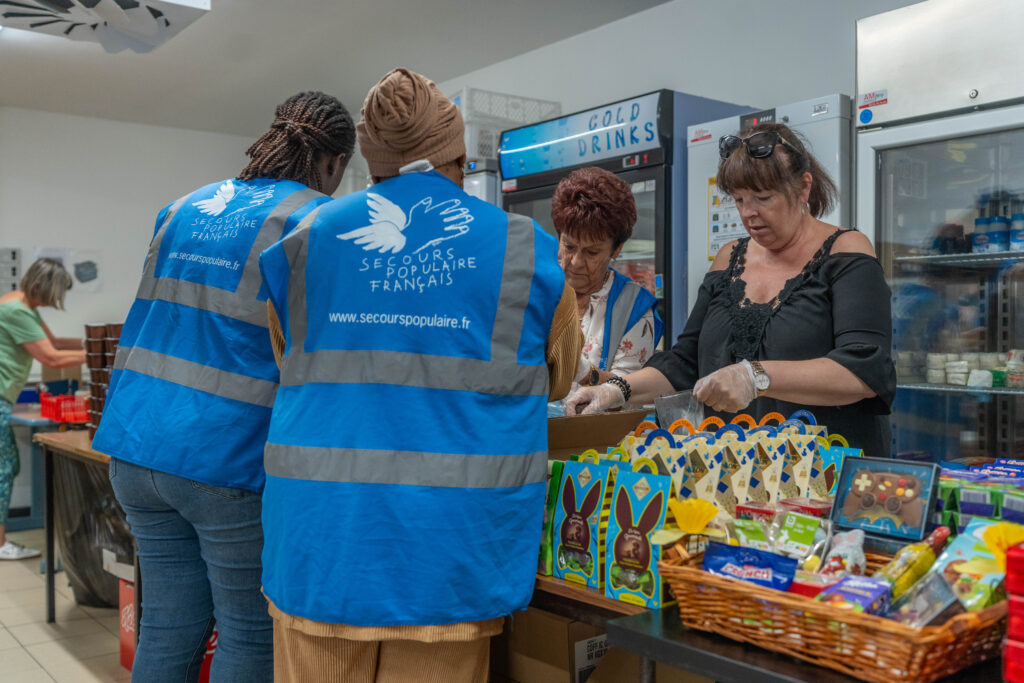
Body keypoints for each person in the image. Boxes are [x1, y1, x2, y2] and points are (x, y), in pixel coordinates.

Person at [258, 68, 581, 683]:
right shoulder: (523, 248)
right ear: (460, 156)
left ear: (371, 166)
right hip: (448, 551)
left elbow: (289, 359)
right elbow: (559, 379)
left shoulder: (303, 242)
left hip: (322, 541)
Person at [92, 91, 355, 683]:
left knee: (168, 626)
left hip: (136, 444)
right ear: (334, 162)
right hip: (225, 456)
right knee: (247, 631)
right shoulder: (316, 220)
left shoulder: (183, 207)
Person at [567, 123, 897, 458]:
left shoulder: (846, 252)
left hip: (823, 470)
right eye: (738, 199)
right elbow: (684, 363)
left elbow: (862, 370)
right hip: (736, 473)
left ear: (803, 187)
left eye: (763, 198)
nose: (748, 213)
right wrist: (616, 390)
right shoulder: (730, 258)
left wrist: (756, 375)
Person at [0, 258, 85, 560]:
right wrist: (100, 354)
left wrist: (104, 340)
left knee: (7, 467)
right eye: (54, 293)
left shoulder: (19, 303)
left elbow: (56, 342)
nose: (54, 301)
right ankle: (0, 544)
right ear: (40, 286)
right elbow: (52, 358)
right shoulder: (17, 311)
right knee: (4, 469)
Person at [551, 166, 662, 387]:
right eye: (569, 246)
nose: (574, 262)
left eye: (592, 252)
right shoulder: (538, 289)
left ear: (616, 250)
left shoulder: (632, 307)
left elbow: (627, 393)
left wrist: (582, 372)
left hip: (592, 423)